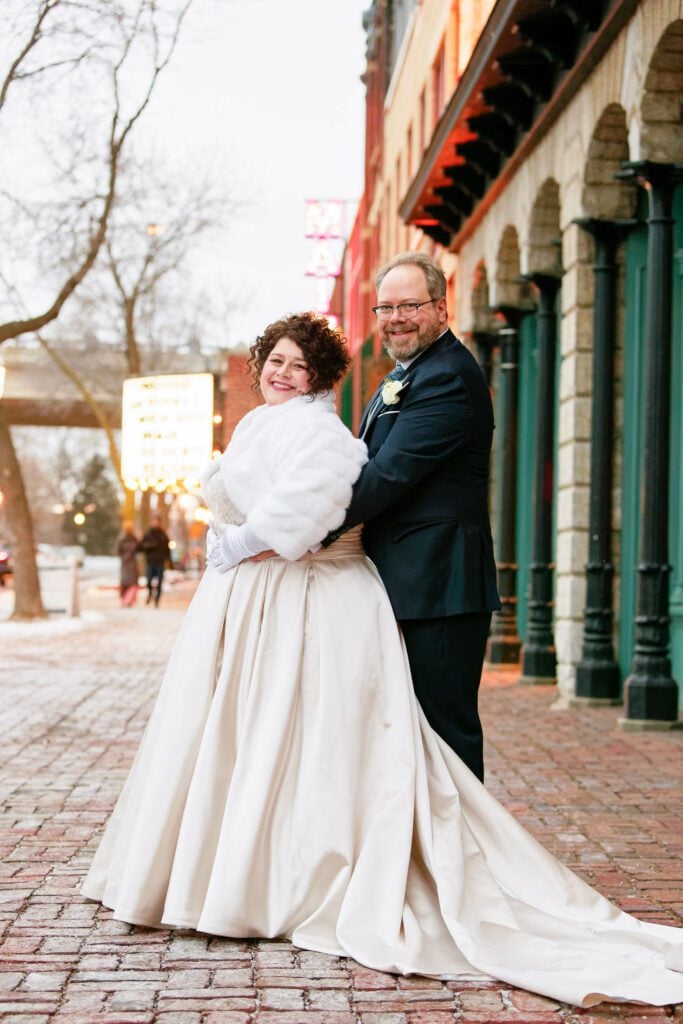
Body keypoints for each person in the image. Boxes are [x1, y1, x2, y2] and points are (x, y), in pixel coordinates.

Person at [81, 311, 683, 1008]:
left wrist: (241, 542)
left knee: (306, 735)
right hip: (255, 599)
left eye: (296, 366)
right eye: (273, 360)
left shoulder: (318, 430)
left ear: (318, 378)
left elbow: (306, 515)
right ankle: (238, 864)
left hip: (305, 595)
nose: (281, 373)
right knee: (251, 736)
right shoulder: (261, 424)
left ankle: (307, 871)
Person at [325, 252, 500, 782]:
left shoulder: (446, 379)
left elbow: (390, 475)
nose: (395, 318)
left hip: (440, 586)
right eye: (386, 307)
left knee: (445, 732)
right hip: (409, 582)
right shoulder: (408, 373)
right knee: (411, 732)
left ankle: (464, 853)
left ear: (441, 309)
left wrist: (310, 527)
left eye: (409, 306)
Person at [137, 515, 171, 607]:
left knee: (159, 582)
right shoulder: (148, 534)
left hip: (160, 562)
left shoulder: (163, 535)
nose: (156, 523)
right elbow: (140, 547)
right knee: (148, 581)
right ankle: (150, 594)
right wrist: (149, 546)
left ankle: (157, 600)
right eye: (154, 521)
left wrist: (169, 561)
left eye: (157, 521)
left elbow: (168, 549)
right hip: (150, 561)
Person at [117, 520, 140, 607]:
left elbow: (139, 548)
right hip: (125, 563)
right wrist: (125, 557)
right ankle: (124, 600)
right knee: (125, 582)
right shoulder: (122, 539)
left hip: (132, 564)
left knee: (133, 583)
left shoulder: (134, 538)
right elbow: (118, 551)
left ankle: (129, 600)